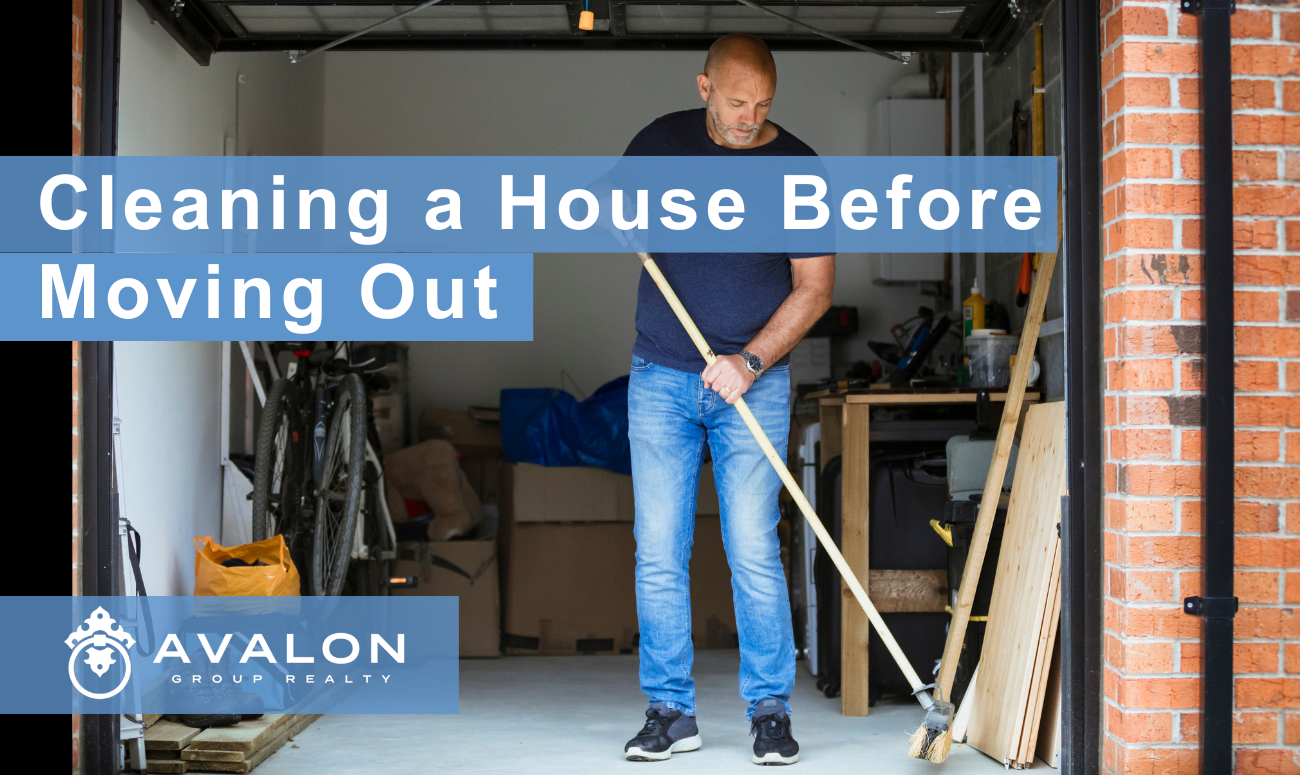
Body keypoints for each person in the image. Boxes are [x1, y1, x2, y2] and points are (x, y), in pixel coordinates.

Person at [620, 33, 835, 766]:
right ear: (705, 86)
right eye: (738, 102)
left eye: (764, 105)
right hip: (660, 377)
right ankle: (670, 711)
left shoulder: (797, 167)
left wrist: (748, 360)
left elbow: (814, 289)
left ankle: (769, 710)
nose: (750, 118)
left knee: (752, 548)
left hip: (756, 382)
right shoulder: (659, 143)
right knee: (659, 552)